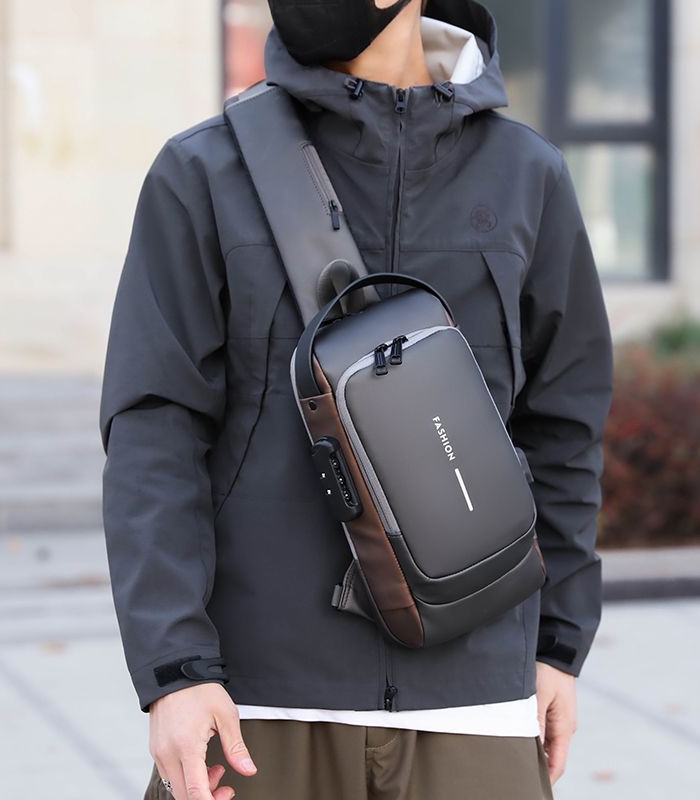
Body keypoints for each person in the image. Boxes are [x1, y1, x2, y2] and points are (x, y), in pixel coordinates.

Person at [99, 1, 613, 798]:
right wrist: (174, 671)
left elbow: (565, 427)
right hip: (255, 705)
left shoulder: (527, 175)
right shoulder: (204, 172)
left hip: (475, 702)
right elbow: (154, 433)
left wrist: (558, 647)